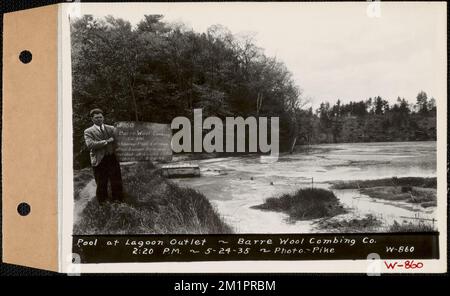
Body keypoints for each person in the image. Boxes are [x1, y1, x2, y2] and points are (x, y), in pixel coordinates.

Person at [84, 108, 124, 203]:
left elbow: (120, 139)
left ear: (103, 117)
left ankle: (118, 201)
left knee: (116, 181)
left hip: (112, 158)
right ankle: (103, 204)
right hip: (99, 160)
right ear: (92, 119)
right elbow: (90, 145)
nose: (99, 119)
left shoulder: (111, 128)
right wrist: (106, 141)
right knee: (101, 182)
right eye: (96, 118)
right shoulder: (88, 131)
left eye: (101, 117)